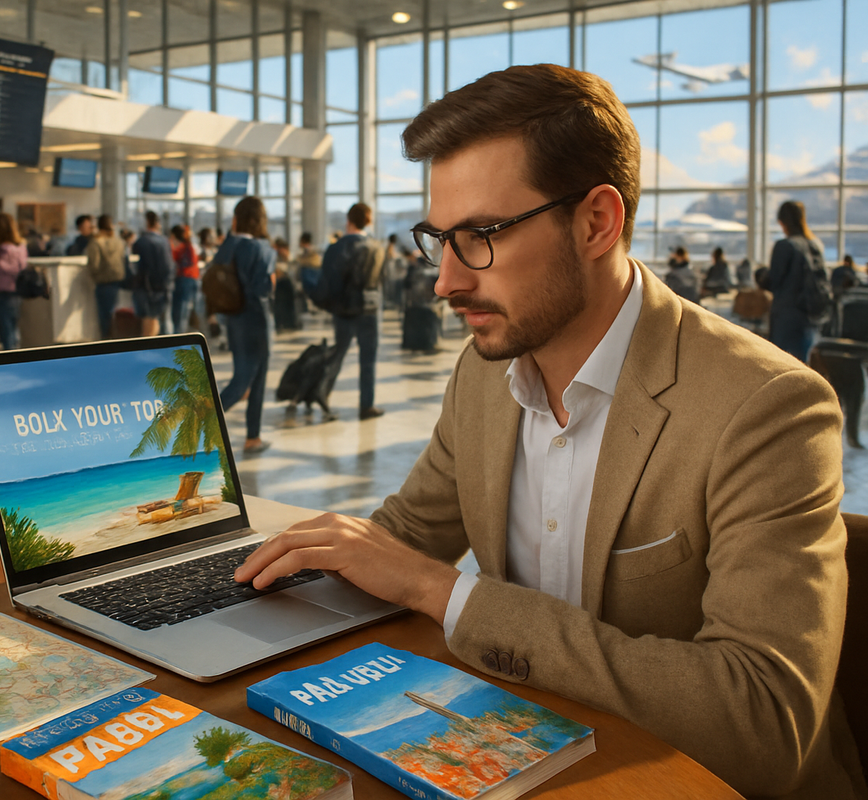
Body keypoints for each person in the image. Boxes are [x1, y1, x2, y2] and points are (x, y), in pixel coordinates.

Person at [234, 64, 862, 799]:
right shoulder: (481, 374)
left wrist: (452, 595)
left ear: (597, 221)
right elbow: (400, 542)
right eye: (439, 238)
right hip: (522, 757)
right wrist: (237, 590)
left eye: (481, 236)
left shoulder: (766, 407)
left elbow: (764, 724)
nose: (445, 282)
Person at [216, 196, 276, 454]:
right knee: (249, 382)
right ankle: (249, 437)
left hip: (234, 320)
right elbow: (265, 288)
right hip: (257, 322)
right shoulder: (263, 249)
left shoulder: (227, 246)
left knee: (241, 378)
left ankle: (253, 436)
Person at [322, 202, 387, 420]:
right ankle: (366, 406)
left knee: (337, 355)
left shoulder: (336, 247)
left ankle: (323, 396)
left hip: (344, 310)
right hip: (370, 309)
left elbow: (329, 281)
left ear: (348, 221)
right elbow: (382, 279)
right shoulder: (377, 247)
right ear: (368, 221)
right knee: (368, 359)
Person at [766, 200, 825, 363]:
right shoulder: (815, 246)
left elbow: (774, 281)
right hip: (810, 316)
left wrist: (761, 276)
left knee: (781, 366)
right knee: (804, 367)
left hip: (787, 318)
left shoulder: (784, 246)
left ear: (782, 222)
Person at [0, 212, 27, 351]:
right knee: (13, 332)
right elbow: (21, 267)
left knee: (6, 333)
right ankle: (16, 359)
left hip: (2, 294)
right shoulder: (21, 247)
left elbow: (7, 268)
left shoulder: (3, 251)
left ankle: (11, 362)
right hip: (16, 294)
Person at [130, 211, 174, 337]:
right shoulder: (164, 241)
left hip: (146, 287)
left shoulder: (141, 242)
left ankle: (148, 346)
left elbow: (135, 266)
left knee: (149, 318)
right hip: (162, 286)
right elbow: (168, 265)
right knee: (159, 319)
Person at [86, 214, 126, 338]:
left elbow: (94, 265)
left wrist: (94, 276)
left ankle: (106, 342)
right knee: (115, 314)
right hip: (118, 281)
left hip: (103, 283)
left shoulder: (96, 242)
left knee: (104, 316)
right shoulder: (119, 241)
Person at [170, 223, 200, 333]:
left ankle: (179, 338)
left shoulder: (184, 247)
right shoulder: (188, 247)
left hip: (184, 280)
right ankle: (179, 336)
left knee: (180, 313)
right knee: (182, 313)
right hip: (189, 280)